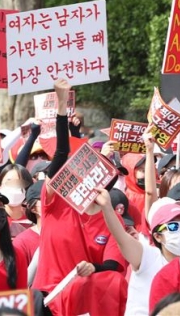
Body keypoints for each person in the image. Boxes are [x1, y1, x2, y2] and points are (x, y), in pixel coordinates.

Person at [32, 79, 128, 316]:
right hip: (46, 299)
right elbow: (62, 153)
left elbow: (113, 265)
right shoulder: (55, 202)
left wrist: (93, 266)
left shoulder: (104, 216)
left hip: (78, 302)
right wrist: (62, 107)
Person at [96, 188, 180, 316]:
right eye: (173, 226)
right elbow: (120, 236)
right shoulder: (147, 256)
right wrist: (107, 208)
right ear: (158, 236)